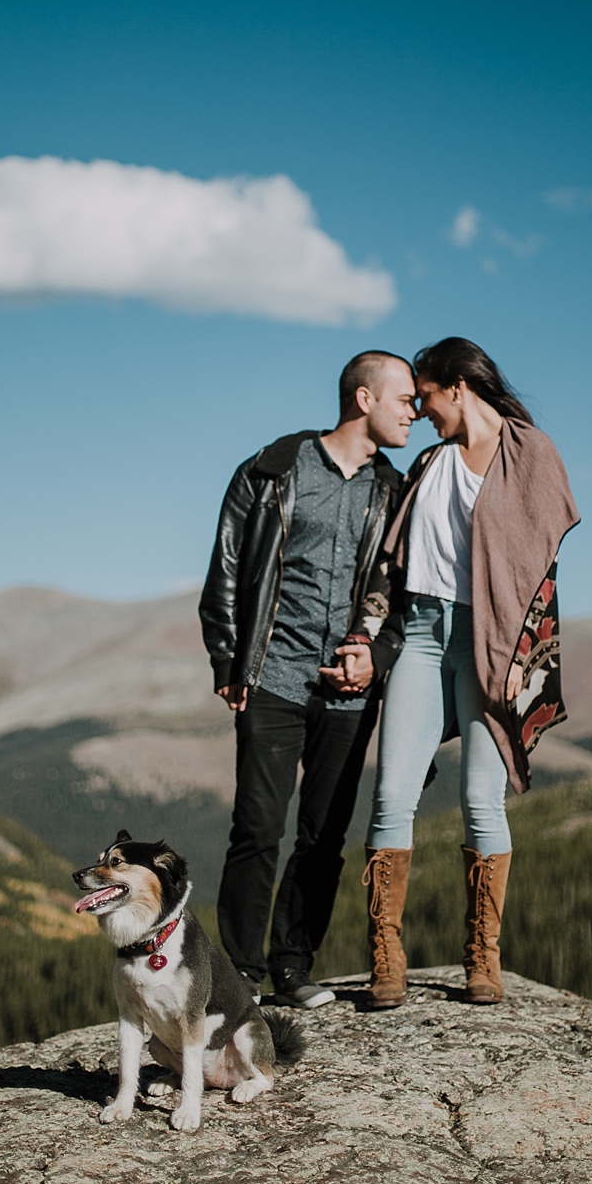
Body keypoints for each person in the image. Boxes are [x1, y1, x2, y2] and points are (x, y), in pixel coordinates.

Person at [332, 337, 579, 1009]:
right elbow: (389, 562)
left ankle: (483, 958)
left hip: (491, 644)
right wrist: (364, 633)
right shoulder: (430, 464)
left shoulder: (530, 453)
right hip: (418, 634)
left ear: (457, 387)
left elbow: (542, 567)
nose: (419, 410)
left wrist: (525, 660)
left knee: (480, 800)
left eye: (426, 396)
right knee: (392, 795)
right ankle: (385, 958)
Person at [199, 351, 417, 1008]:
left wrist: (374, 661)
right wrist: (226, 658)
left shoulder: (395, 494)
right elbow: (228, 565)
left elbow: (408, 597)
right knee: (256, 830)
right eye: (404, 398)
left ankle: (293, 965)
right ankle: (237, 976)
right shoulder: (272, 471)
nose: (415, 412)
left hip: (348, 691)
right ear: (363, 399)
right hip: (271, 677)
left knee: (323, 837)